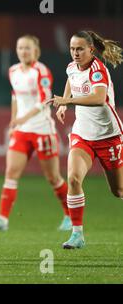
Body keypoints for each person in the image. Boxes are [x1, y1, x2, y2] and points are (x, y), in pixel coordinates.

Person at [0, 35, 72, 232]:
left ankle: (70, 216)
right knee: (11, 174)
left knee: (53, 178)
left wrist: (24, 118)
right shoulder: (13, 71)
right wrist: (14, 122)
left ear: (36, 51)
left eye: (27, 48)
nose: (23, 51)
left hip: (42, 131)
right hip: (22, 132)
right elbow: (15, 97)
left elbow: (45, 99)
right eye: (20, 47)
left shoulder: (41, 71)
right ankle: (2, 220)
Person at [49, 30, 123, 249]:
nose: (75, 53)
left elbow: (99, 98)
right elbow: (71, 80)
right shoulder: (72, 67)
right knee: (73, 178)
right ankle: (77, 234)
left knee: (118, 191)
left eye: (80, 49)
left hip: (108, 136)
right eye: (72, 49)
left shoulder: (98, 70)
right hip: (82, 134)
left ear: (91, 49)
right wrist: (63, 104)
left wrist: (67, 100)